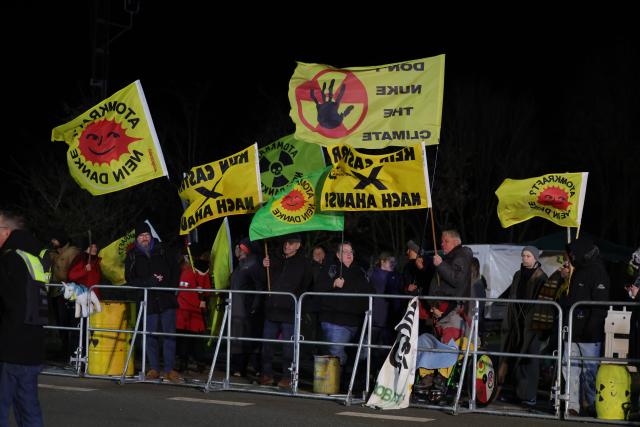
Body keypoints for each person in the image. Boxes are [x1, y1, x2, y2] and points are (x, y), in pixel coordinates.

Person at [0, 209, 46, 426]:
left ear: (6, 232)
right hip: (32, 347)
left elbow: (6, 301)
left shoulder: (8, 259)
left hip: (8, 346)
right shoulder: (33, 258)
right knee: (29, 410)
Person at [125, 221, 181, 383]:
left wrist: (170, 288)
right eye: (141, 235)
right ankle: (154, 368)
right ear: (137, 238)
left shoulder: (163, 249)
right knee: (150, 335)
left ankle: (170, 369)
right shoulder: (132, 255)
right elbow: (130, 280)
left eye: (147, 235)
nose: (144, 238)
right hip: (147, 300)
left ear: (151, 235)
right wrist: (149, 281)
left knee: (169, 334)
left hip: (166, 298)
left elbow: (175, 271)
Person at [560, 237, 610, 417]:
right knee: (569, 368)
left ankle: (591, 403)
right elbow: (570, 299)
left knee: (590, 371)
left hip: (589, 334)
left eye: (573, 253)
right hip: (572, 330)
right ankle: (571, 405)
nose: (571, 256)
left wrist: (592, 326)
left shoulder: (598, 271)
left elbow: (600, 303)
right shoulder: (576, 271)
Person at [259, 233, 312, 388]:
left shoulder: (304, 263)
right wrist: (264, 267)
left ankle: (287, 376)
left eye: (290, 243)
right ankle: (266, 374)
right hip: (272, 308)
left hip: (289, 311)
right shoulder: (274, 259)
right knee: (266, 344)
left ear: (298, 245)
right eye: (285, 243)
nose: (286, 245)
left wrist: (298, 304)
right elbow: (263, 281)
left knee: (288, 347)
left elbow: (306, 287)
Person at [498, 246, 548, 407]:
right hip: (516, 321)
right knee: (513, 356)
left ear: (535, 258)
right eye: (523, 255)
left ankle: (529, 395)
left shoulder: (541, 277)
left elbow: (542, 301)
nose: (525, 258)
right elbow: (511, 293)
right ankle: (517, 393)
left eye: (528, 256)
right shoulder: (518, 275)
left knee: (529, 358)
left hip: (531, 323)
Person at [317, 242, 374, 370]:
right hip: (335, 320)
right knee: (336, 354)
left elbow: (371, 292)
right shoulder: (331, 269)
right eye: (345, 251)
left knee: (360, 355)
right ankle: (333, 385)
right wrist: (333, 284)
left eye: (351, 251)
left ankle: (346, 383)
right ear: (338, 255)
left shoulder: (360, 271)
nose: (349, 254)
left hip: (357, 322)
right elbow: (317, 288)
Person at [428, 229, 473, 344]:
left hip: (452, 311)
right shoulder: (449, 257)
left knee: (449, 347)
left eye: (446, 241)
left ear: (456, 242)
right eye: (442, 241)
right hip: (442, 310)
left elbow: (456, 280)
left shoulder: (461, 255)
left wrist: (440, 265)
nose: (442, 244)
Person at [229, 238, 264, 377]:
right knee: (238, 339)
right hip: (238, 307)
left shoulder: (253, 264)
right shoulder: (241, 265)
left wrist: (255, 305)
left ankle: (255, 368)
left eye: (241, 248)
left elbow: (259, 286)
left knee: (250, 339)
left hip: (248, 308)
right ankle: (238, 367)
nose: (239, 251)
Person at [176, 246, 211, 373]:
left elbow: (183, 292)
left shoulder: (187, 271)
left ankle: (184, 364)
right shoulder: (205, 272)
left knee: (185, 339)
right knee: (197, 339)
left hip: (185, 310)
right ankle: (200, 363)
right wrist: (202, 299)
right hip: (197, 311)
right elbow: (207, 291)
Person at [48, 231, 80, 362]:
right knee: (61, 323)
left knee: (69, 323)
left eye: (55, 239)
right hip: (55, 292)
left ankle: (72, 352)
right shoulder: (54, 253)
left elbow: (73, 272)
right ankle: (64, 350)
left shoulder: (73, 252)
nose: (53, 242)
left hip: (69, 292)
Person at [368, 251, 402, 372]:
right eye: (390, 261)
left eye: (394, 262)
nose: (393, 264)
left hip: (390, 318)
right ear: (382, 261)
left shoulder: (395, 275)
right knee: (374, 348)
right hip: (377, 317)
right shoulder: (375, 275)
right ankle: (372, 373)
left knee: (388, 348)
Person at [469, 257, 487, 337]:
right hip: (471, 316)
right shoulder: (473, 282)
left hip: (473, 317)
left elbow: (480, 304)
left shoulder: (477, 284)